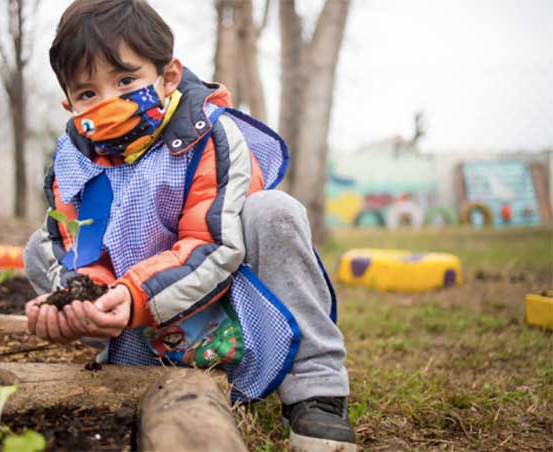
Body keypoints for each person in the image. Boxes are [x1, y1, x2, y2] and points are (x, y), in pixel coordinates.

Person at [24, 0, 355, 449]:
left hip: (225, 302)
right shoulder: (75, 161)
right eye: (88, 94)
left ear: (169, 76)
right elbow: (84, 253)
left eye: (126, 81)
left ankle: (316, 391)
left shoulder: (209, 137)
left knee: (274, 212)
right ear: (69, 102)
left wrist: (134, 294)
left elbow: (211, 243)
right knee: (37, 247)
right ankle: (117, 350)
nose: (109, 103)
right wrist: (86, 300)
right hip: (137, 318)